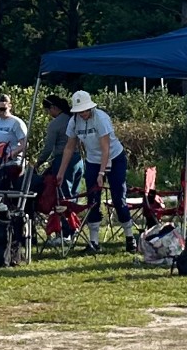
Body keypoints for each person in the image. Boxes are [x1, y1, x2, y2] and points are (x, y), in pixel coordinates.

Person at [57, 90, 138, 253]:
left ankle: (130, 237)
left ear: (91, 108)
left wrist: (102, 174)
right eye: (80, 111)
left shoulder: (101, 118)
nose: (83, 114)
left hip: (114, 157)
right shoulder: (73, 122)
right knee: (92, 199)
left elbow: (105, 148)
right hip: (92, 160)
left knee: (118, 197)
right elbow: (69, 147)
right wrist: (61, 172)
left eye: (85, 110)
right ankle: (94, 241)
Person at [37, 95, 82, 240]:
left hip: (63, 161)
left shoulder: (55, 124)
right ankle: (74, 229)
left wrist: (38, 163)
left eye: (48, 110)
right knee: (74, 196)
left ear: (54, 108)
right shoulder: (75, 119)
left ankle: (66, 233)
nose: (48, 114)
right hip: (79, 161)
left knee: (62, 198)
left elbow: (48, 148)